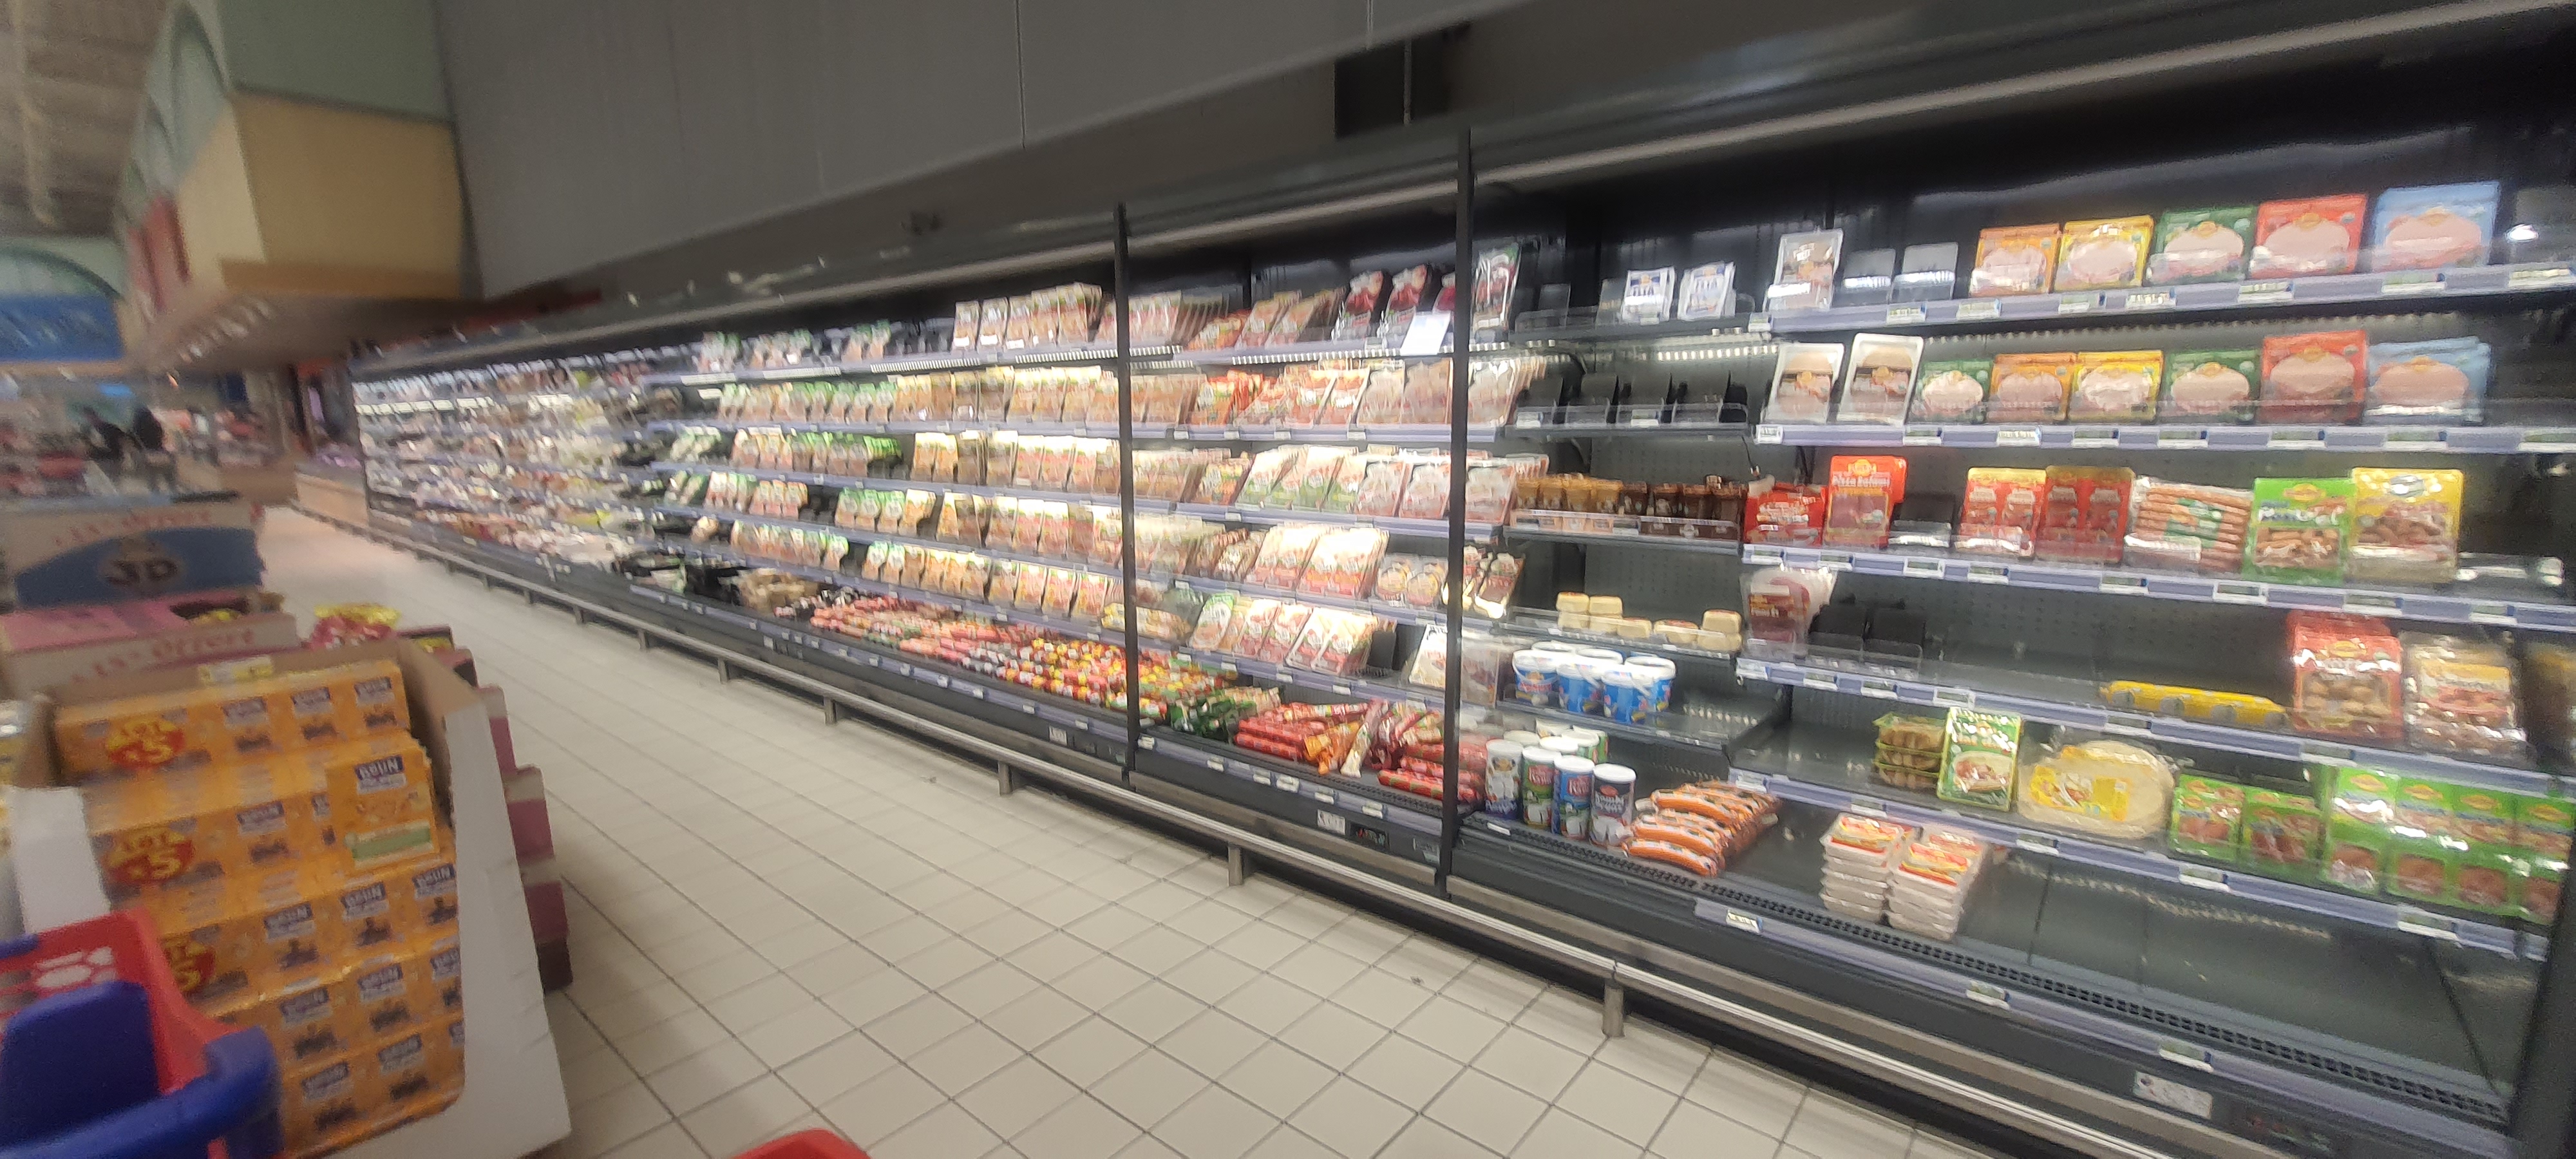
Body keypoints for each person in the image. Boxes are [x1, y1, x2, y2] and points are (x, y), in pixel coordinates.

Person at [127, 406, 179, 491]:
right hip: (160, 452)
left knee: (152, 478)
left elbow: (132, 441)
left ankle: (156, 493)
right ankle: (174, 491)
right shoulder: (156, 425)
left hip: (146, 454)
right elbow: (162, 436)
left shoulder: (135, 428)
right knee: (169, 476)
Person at [80, 407, 128, 481]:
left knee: (114, 479)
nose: (89, 419)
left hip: (114, 459)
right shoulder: (87, 431)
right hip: (99, 460)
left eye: (90, 416)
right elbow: (86, 446)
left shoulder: (110, 428)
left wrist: (126, 456)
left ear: (95, 415)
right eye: (87, 417)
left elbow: (124, 441)